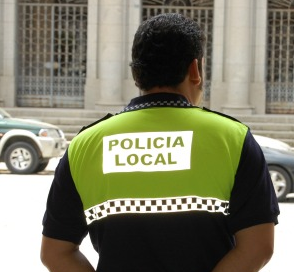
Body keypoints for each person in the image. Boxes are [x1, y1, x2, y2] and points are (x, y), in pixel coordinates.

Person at [40, 13, 280, 272]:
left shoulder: (86, 144)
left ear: (136, 74)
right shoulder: (232, 138)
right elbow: (258, 247)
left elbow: (55, 253)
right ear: (195, 70)